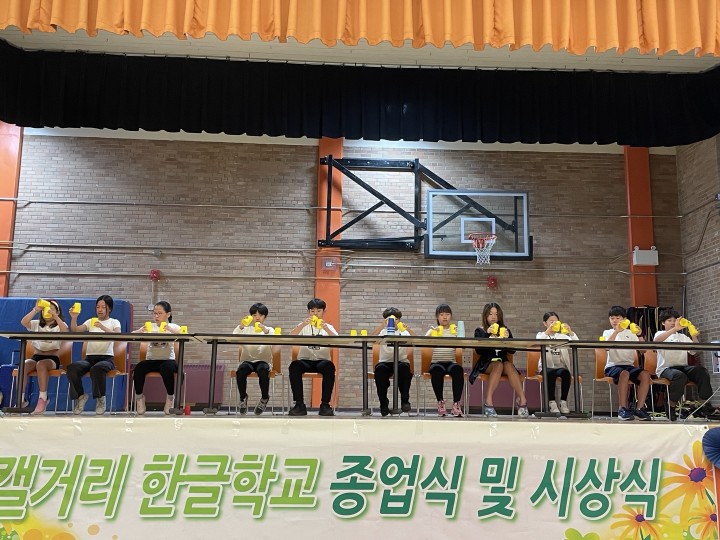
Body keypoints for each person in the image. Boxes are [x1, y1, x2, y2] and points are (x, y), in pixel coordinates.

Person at [471, 302, 529, 418]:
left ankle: (522, 400)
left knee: (508, 365)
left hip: (503, 362)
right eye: (490, 314)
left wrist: (508, 339)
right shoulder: (480, 331)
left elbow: (512, 351)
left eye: (496, 314)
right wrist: (487, 335)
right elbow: (479, 351)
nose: (493, 317)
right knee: (498, 365)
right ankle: (488, 401)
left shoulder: (505, 330)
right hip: (487, 363)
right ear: (485, 316)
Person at [653, 309, 713, 420]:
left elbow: (695, 351)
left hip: (682, 367)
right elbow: (656, 341)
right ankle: (671, 405)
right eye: (669, 320)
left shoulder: (683, 337)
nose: (672, 323)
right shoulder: (660, 334)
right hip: (666, 368)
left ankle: (705, 405)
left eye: (674, 320)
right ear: (663, 323)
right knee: (680, 376)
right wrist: (674, 329)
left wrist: (694, 336)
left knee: (702, 371)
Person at [68, 295, 121, 415]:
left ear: (109, 309)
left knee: (97, 368)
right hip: (90, 358)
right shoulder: (90, 321)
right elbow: (75, 330)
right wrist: (74, 318)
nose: (100, 309)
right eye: (98, 307)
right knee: (72, 367)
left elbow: (118, 335)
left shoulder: (114, 322)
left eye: (103, 307)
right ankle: (81, 396)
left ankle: (101, 399)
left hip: (106, 359)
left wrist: (102, 327)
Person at [288, 298, 338, 416]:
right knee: (294, 366)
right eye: (312, 311)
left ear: (324, 312)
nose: (315, 314)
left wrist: (326, 329)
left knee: (329, 367)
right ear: (308, 312)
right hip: (305, 360)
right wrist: (302, 325)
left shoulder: (328, 327)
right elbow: (291, 336)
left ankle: (325, 405)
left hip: (322, 361)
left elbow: (337, 339)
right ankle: (299, 404)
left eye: (318, 311)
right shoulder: (303, 325)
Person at [19, 299, 69, 414]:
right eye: (46, 309)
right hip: (36, 356)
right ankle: (21, 399)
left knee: (41, 364)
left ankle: (43, 398)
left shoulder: (60, 325)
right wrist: (35, 310)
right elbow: (24, 322)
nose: (48, 311)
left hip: (52, 358)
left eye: (52, 309)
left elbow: (66, 332)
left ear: (57, 312)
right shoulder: (36, 324)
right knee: (24, 365)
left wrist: (56, 317)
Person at [132, 301, 182, 416]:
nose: (156, 316)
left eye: (160, 313)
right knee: (139, 368)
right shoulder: (150, 326)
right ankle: (139, 398)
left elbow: (185, 336)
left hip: (168, 360)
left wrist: (171, 330)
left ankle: (170, 398)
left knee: (166, 368)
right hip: (151, 360)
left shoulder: (174, 327)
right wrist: (140, 331)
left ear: (168, 314)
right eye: (155, 313)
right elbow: (131, 335)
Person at [602, 305, 651, 421]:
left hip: (629, 366)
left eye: (617, 318)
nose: (614, 321)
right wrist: (616, 332)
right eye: (612, 318)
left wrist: (640, 335)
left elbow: (643, 350)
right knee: (624, 373)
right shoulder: (608, 332)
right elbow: (606, 347)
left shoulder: (631, 333)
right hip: (612, 366)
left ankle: (639, 408)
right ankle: (622, 409)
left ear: (624, 319)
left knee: (645, 374)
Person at [233, 303, 275, 415]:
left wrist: (264, 330)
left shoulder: (269, 329)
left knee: (263, 370)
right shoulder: (246, 329)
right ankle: (243, 397)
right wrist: (241, 326)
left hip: (263, 361)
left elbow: (274, 338)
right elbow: (234, 335)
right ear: (251, 316)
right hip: (247, 360)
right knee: (241, 371)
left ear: (265, 317)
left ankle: (264, 398)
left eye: (260, 315)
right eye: (254, 315)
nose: (257, 317)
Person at [371, 307, 415, 416]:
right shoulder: (383, 331)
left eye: (396, 319)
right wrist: (381, 326)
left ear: (399, 320)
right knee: (380, 370)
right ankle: (383, 404)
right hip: (385, 362)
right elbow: (372, 340)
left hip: (401, 361)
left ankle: (405, 400)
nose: (393, 321)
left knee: (404, 368)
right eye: (390, 319)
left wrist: (407, 329)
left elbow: (415, 340)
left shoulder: (403, 331)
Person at [425, 304, 464, 417]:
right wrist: (431, 333)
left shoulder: (454, 330)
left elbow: (463, 345)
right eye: (441, 314)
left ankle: (456, 404)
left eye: (447, 314)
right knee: (436, 370)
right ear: (437, 317)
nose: (445, 317)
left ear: (451, 316)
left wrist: (459, 334)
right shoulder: (434, 330)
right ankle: (440, 402)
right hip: (437, 362)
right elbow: (423, 341)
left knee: (458, 370)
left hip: (451, 362)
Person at [535, 312, 579, 415]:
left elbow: (576, 343)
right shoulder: (541, 335)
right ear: (545, 323)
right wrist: (548, 331)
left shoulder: (562, 336)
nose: (554, 323)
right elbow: (538, 342)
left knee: (566, 373)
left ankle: (563, 402)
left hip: (560, 367)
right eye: (551, 321)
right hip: (546, 367)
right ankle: (552, 403)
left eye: (556, 321)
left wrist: (570, 332)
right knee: (550, 373)